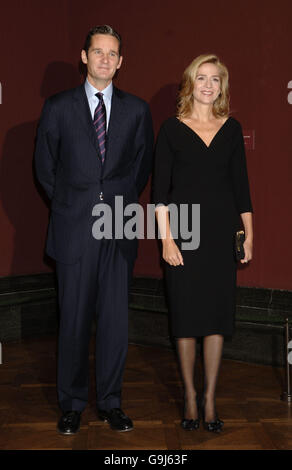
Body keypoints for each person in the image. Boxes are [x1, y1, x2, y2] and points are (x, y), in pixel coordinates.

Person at [35, 25, 153, 435]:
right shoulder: (57, 107)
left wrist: (115, 202)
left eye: (112, 53)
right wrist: (73, 205)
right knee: (73, 319)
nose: (105, 59)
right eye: (98, 51)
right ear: (83, 56)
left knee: (115, 322)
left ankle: (110, 402)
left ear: (121, 62)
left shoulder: (137, 111)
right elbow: (44, 169)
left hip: (119, 227)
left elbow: (141, 168)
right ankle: (71, 404)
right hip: (73, 230)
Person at [152, 54, 253, 433]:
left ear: (222, 87)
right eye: (201, 77)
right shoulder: (171, 129)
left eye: (215, 79)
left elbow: (242, 191)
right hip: (183, 237)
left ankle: (210, 397)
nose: (208, 85)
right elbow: (160, 194)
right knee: (185, 318)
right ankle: (190, 395)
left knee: (215, 317)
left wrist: (248, 236)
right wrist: (166, 239)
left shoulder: (231, 129)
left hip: (220, 238)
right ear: (190, 84)